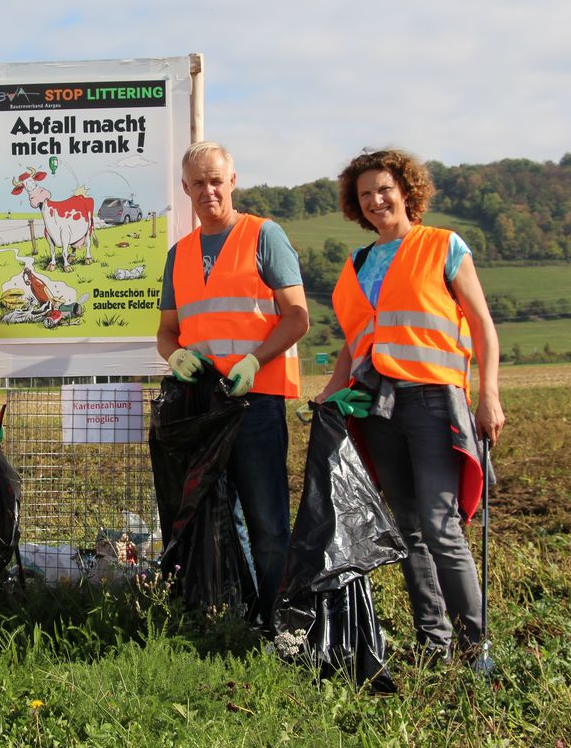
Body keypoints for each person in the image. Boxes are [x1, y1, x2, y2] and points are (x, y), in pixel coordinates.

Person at [315, 148, 504, 664]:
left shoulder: (443, 245)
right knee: (408, 528)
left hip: (434, 401)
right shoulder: (358, 262)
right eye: (364, 195)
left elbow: (482, 325)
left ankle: (475, 645)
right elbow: (356, 342)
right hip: (377, 408)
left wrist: (488, 394)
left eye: (384, 190)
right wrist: (329, 394)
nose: (376, 201)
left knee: (441, 527)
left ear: (406, 191)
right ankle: (433, 640)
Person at [156, 142, 310, 622]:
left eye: (216, 180)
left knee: (267, 523)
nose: (208, 190)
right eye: (198, 183)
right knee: (216, 518)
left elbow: (297, 317)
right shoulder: (179, 255)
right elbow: (166, 331)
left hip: (255, 402)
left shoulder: (264, 235)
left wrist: (255, 360)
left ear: (233, 180)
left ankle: (281, 623)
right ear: (185, 189)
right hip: (202, 407)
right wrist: (175, 353)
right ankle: (237, 617)